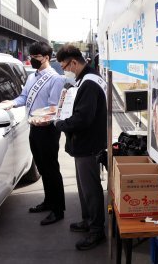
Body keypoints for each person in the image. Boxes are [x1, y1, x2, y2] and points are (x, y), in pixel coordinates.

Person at [0, 41, 67, 226]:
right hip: (34, 127)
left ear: (47, 58)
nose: (32, 60)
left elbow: (53, 108)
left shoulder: (55, 79)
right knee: (42, 168)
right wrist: (8, 103)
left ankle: (58, 210)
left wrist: (39, 118)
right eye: (31, 57)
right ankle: (48, 201)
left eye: (36, 57)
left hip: (48, 130)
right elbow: (24, 97)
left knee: (51, 169)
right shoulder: (32, 77)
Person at [47, 44, 108, 250]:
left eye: (65, 66)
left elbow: (83, 118)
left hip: (88, 144)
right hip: (85, 143)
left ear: (74, 62)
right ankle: (88, 220)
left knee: (90, 189)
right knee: (83, 188)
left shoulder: (89, 83)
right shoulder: (87, 78)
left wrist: (59, 124)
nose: (65, 71)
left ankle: (96, 230)